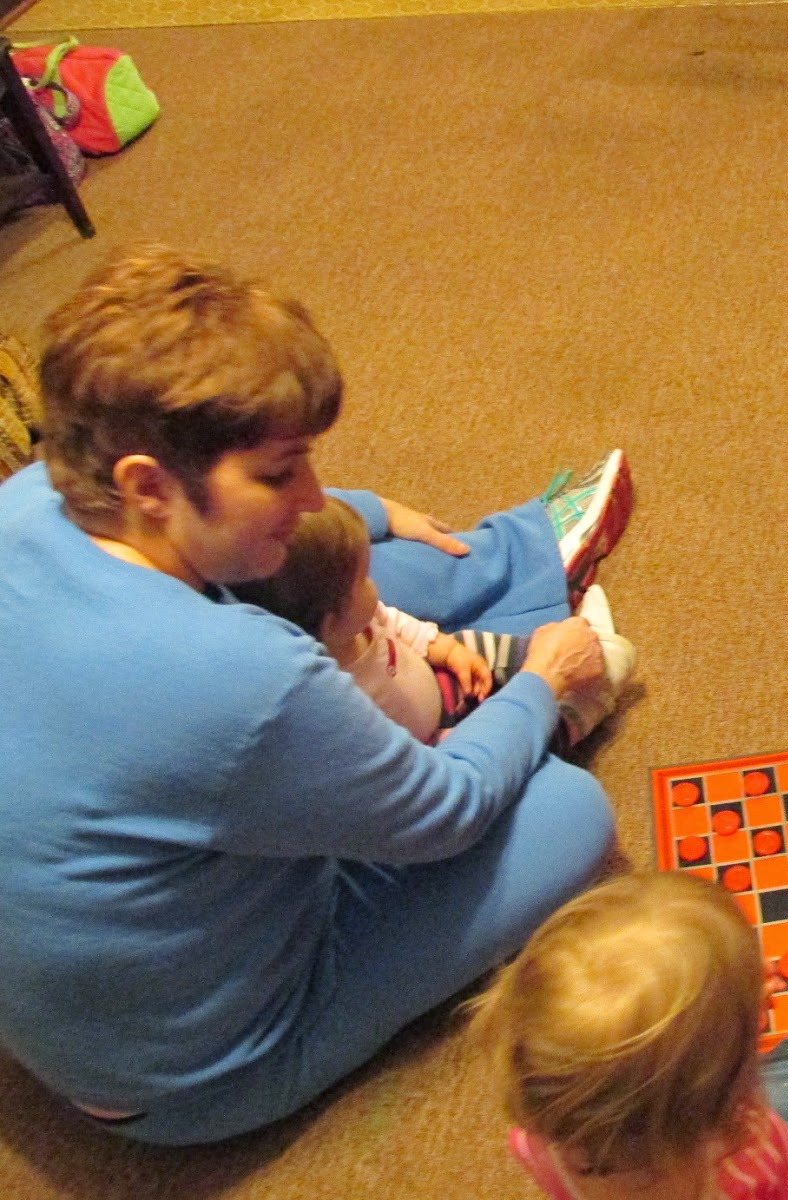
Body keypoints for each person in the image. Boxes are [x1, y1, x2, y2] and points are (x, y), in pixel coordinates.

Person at [0, 245, 634, 1144]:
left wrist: (371, 512)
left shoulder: (29, 500)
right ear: (147, 484)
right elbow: (446, 812)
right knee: (567, 810)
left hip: (83, 998)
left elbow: (309, 533)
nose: (308, 493)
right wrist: (540, 684)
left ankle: (513, 562)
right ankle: (527, 616)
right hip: (195, 1072)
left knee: (341, 561)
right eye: (277, 472)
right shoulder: (241, 678)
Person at [468, 871, 788, 1200]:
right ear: (727, 1106)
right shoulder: (746, 1174)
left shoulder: (543, 1132)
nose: (767, 972)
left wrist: (733, 1013)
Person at [231, 496, 638, 747]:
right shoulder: (336, 698)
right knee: (533, 740)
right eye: (362, 582)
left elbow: (397, 624)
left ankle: (576, 646)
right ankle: (588, 704)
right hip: (433, 740)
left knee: (488, 646)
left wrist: (446, 651)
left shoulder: (359, 620)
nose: (375, 587)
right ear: (331, 622)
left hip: (437, 676)